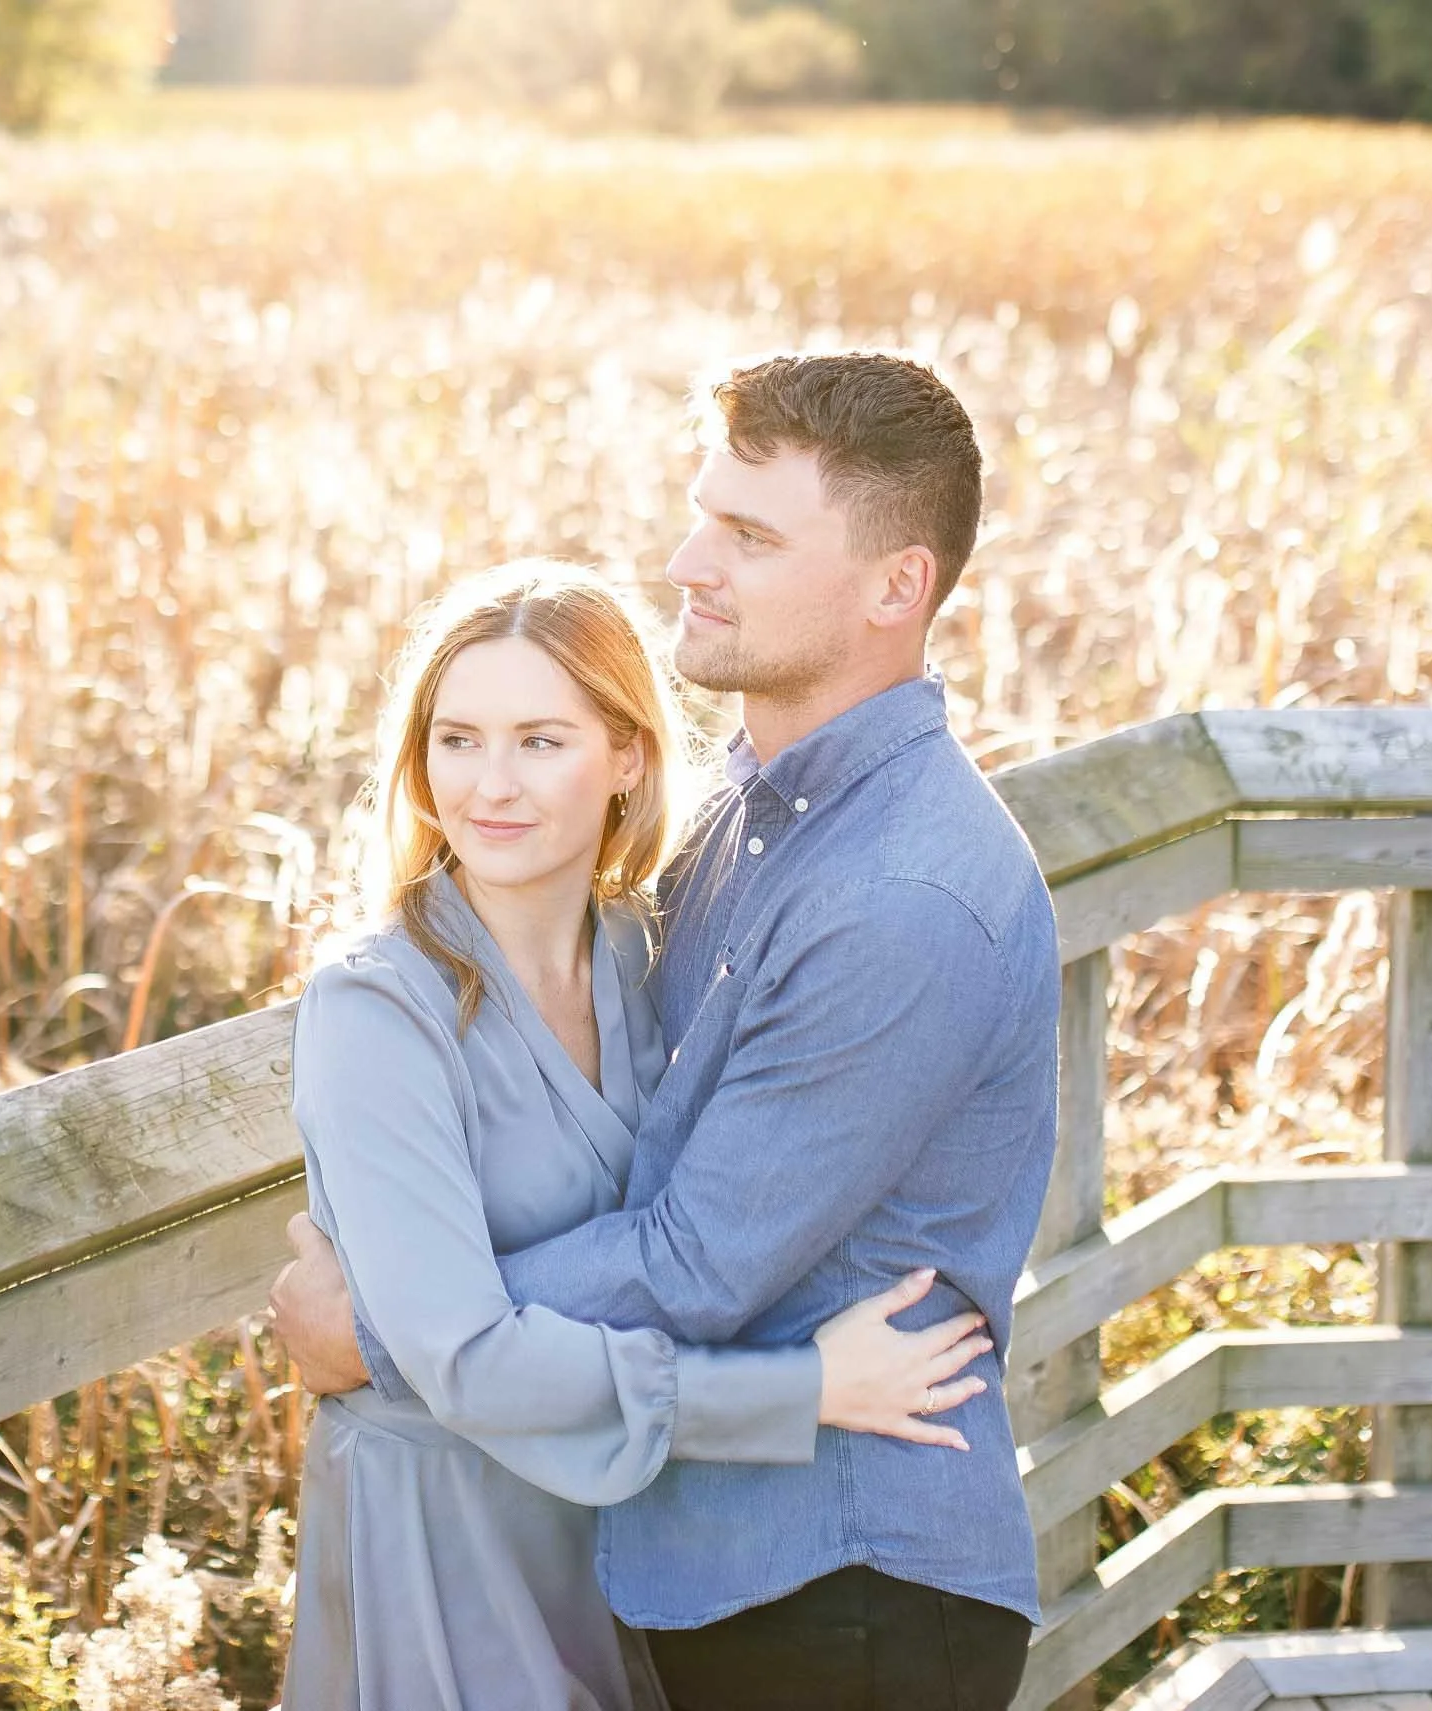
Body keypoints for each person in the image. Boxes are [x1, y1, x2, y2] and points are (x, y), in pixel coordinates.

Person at [276, 353, 1061, 1711]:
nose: (689, 560)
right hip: (697, 1568)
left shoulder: (901, 895)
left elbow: (695, 1258)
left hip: (846, 1587)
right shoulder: (739, 825)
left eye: (751, 535)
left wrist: (396, 1333)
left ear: (896, 587)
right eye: (703, 513)